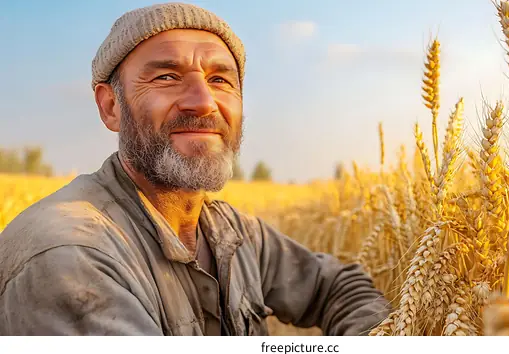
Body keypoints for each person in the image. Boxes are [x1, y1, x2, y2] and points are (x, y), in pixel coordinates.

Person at [0, 2, 390, 336]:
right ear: (110, 107)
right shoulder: (70, 256)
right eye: (167, 77)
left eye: (220, 79)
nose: (203, 102)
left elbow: (337, 286)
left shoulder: (229, 232)